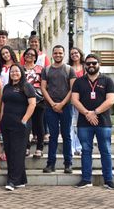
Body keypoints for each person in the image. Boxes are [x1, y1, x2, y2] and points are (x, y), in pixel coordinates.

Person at [72, 54, 114, 189]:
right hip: (84, 123)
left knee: (106, 151)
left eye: (94, 63)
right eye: (88, 63)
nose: (91, 65)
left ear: (99, 64)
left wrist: (94, 113)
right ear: (85, 65)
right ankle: (86, 179)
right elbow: (74, 100)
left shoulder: (108, 81)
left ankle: (108, 180)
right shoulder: (79, 82)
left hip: (103, 122)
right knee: (86, 150)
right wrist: (87, 113)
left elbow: (110, 101)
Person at [0, 64, 36, 191]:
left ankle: (12, 181)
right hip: (6, 123)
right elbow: (3, 105)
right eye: (12, 71)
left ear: (21, 72)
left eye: (16, 71)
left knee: (17, 152)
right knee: (9, 152)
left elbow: (32, 104)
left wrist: (24, 120)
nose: (14, 73)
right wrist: (1, 119)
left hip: (20, 125)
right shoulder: (7, 87)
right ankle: (20, 180)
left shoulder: (26, 86)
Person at [41, 45, 76, 174]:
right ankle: (51, 164)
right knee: (53, 136)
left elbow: (73, 89)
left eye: (60, 53)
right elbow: (43, 88)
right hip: (50, 108)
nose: (58, 55)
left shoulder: (69, 69)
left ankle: (68, 164)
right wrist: (52, 104)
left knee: (66, 135)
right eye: (55, 53)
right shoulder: (46, 70)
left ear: (64, 54)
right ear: (52, 54)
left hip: (66, 107)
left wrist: (61, 104)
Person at [23, 48, 45, 158]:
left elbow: (44, 84)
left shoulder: (41, 69)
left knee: (39, 124)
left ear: (36, 57)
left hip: (38, 99)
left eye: (32, 54)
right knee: (26, 124)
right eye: (27, 54)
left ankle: (39, 148)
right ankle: (26, 146)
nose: (29, 56)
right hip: (23, 100)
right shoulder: (20, 68)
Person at [69, 47, 85, 156]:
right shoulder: (68, 68)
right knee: (71, 124)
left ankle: (79, 147)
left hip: (83, 100)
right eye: (72, 54)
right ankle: (72, 147)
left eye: (76, 53)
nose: (74, 55)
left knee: (80, 124)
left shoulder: (85, 67)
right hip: (71, 99)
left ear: (80, 54)